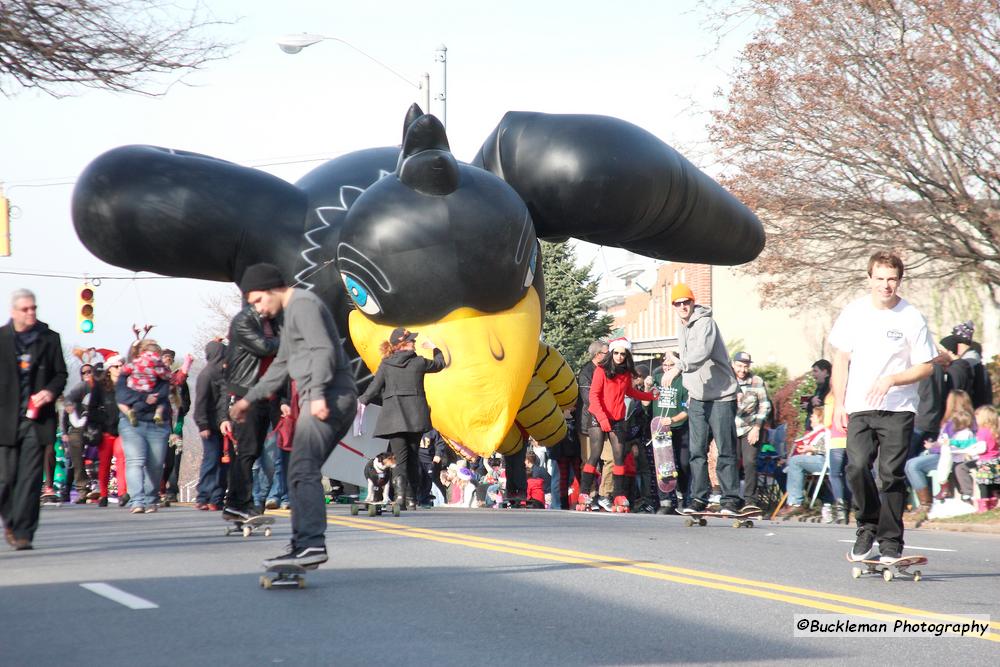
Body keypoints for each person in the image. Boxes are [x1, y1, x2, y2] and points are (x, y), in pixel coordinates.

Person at [230, 263, 357, 568]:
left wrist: (316, 396)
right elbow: (282, 364)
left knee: (302, 469)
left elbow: (323, 350)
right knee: (299, 471)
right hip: (324, 395)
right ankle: (303, 544)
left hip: (330, 397)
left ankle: (311, 544)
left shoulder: (304, 305)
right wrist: (249, 399)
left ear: (273, 288)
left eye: (259, 300)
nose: (259, 309)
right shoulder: (290, 315)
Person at [830, 251, 937, 563]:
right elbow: (840, 359)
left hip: (899, 408)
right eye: (880, 278)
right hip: (860, 405)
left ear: (899, 281)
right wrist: (839, 402)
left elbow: (926, 367)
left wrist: (893, 379)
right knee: (856, 466)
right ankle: (867, 525)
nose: (886, 285)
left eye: (892, 279)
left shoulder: (911, 316)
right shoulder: (854, 312)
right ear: (870, 279)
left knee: (890, 474)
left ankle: (890, 542)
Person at [661, 283, 751, 515]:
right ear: (673, 306)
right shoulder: (682, 328)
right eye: (678, 303)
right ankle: (698, 499)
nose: (683, 306)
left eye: (686, 302)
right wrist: (690, 392)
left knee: (725, 450)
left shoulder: (706, 323)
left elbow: (700, 354)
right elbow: (693, 365)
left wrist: (677, 366)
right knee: (696, 452)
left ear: (693, 302)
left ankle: (730, 500)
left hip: (721, 396)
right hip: (698, 399)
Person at [0, 289, 68, 550]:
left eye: (33, 308)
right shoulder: (2, 339)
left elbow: (60, 374)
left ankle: (24, 532)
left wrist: (49, 392)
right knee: (6, 480)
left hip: (36, 421)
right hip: (6, 419)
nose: (30, 313)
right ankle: (11, 522)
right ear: (14, 311)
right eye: (25, 309)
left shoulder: (49, 338)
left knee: (30, 478)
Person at [358, 327, 446, 510]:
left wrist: (362, 401)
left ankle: (399, 498)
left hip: (394, 418)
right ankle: (411, 498)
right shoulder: (419, 362)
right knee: (413, 456)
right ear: (402, 344)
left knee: (399, 458)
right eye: (411, 341)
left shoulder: (387, 364)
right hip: (415, 417)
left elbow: (374, 387)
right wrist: (435, 347)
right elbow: (440, 363)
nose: (414, 342)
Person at [219, 300, 280, 523]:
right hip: (247, 396)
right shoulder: (245, 321)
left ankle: (244, 504)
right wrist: (223, 415)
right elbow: (264, 347)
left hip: (267, 398)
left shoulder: (274, 323)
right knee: (246, 453)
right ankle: (237, 504)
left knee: (255, 454)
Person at [581, 337, 656, 512]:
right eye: (616, 353)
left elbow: (629, 392)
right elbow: (593, 397)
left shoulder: (625, 373)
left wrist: (650, 395)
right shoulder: (601, 370)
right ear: (612, 353)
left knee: (619, 455)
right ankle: (585, 492)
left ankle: (619, 494)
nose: (620, 356)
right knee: (596, 453)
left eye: (623, 354)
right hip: (598, 416)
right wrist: (602, 419)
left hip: (617, 418)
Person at [116, 340, 172, 514]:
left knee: (155, 464)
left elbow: (164, 392)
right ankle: (137, 500)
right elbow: (121, 395)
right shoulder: (127, 372)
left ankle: (150, 498)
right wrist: (144, 398)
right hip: (132, 423)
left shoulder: (162, 371)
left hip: (157, 423)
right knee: (135, 461)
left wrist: (145, 398)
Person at [651, 354, 690, 513]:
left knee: (683, 464)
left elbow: (687, 409)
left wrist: (672, 420)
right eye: (665, 364)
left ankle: (683, 498)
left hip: (679, 426)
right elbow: (646, 402)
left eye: (671, 364)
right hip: (660, 429)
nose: (667, 367)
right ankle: (665, 501)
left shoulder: (684, 382)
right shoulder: (657, 378)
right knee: (663, 464)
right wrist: (647, 387)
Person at [732, 351, 771, 506]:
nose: (742, 370)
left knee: (749, 462)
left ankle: (750, 500)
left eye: (745, 366)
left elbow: (764, 405)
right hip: (730, 427)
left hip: (750, 427)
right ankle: (731, 498)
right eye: (739, 366)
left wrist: (757, 428)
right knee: (730, 462)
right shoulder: (727, 380)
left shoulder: (756, 381)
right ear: (733, 365)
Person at [193, 340, 227, 510]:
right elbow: (200, 402)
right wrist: (203, 425)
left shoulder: (224, 373)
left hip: (224, 425)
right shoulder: (207, 375)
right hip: (210, 426)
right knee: (211, 460)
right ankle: (203, 496)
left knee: (224, 462)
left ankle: (217, 497)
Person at [575, 340, 607, 509]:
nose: (609, 356)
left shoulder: (607, 370)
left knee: (607, 459)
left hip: (605, 420)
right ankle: (590, 493)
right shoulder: (587, 372)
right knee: (588, 459)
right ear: (597, 355)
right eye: (606, 353)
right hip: (587, 423)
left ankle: (604, 494)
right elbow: (589, 400)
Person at [158, 348, 192, 505]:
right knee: (160, 459)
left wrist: (181, 410)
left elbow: (186, 402)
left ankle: (172, 490)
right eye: (165, 357)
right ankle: (159, 488)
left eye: (170, 358)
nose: (167, 360)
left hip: (176, 422)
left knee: (174, 459)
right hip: (160, 425)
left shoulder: (178, 381)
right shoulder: (157, 379)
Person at [972, 405, 999, 512]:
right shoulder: (995, 430)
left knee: (983, 483)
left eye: (977, 418)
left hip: (985, 462)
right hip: (996, 460)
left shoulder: (983, 431)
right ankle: (994, 502)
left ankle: (984, 505)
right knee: (994, 482)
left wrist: (972, 451)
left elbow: (982, 448)